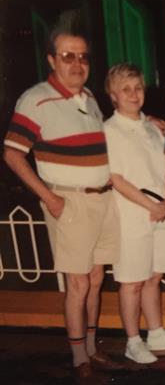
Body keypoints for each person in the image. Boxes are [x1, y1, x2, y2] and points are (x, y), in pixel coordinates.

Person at [3, 23, 122, 381]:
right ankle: (78, 357)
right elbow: (12, 154)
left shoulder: (90, 98)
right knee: (78, 284)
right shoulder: (35, 99)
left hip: (102, 200)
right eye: (68, 56)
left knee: (96, 279)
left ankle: (92, 348)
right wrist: (49, 198)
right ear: (52, 60)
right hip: (69, 203)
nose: (77, 64)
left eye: (83, 57)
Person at [103, 64, 165, 364]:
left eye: (138, 88)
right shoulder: (110, 130)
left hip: (161, 210)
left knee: (154, 276)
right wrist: (151, 206)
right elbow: (116, 178)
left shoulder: (153, 127)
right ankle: (133, 341)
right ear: (113, 95)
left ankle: (156, 333)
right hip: (132, 212)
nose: (133, 94)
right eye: (125, 89)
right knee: (132, 281)